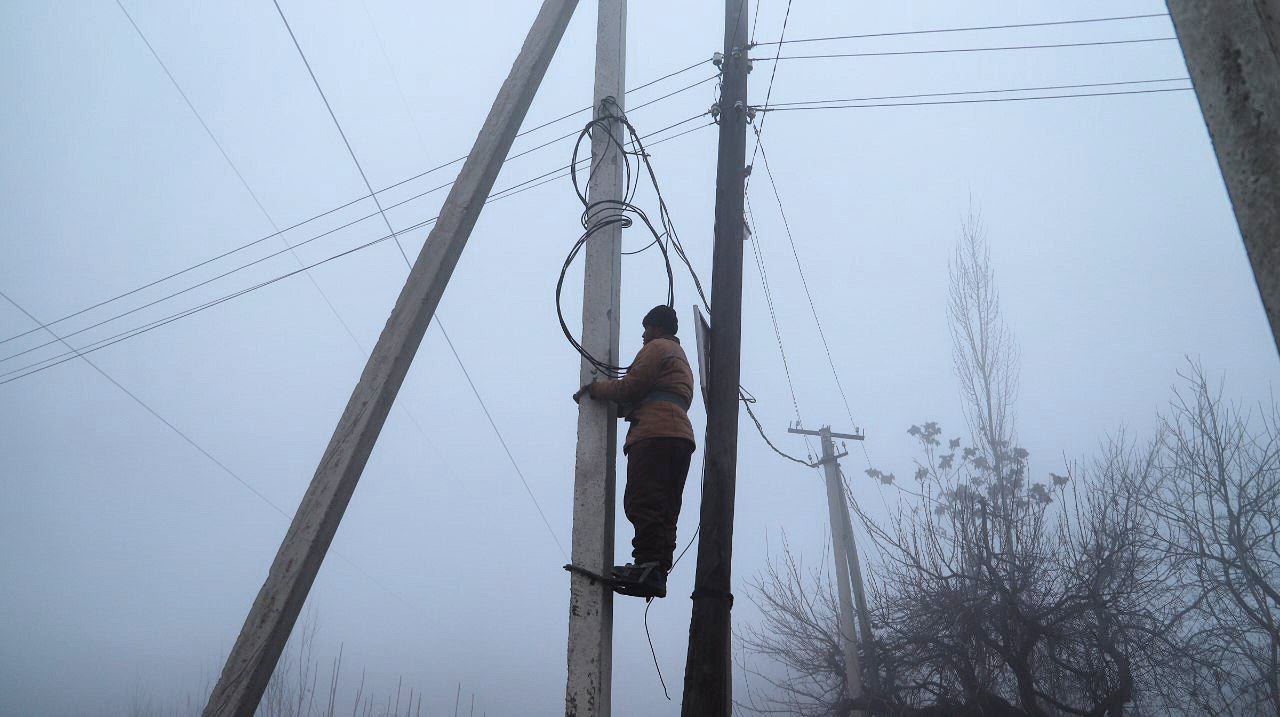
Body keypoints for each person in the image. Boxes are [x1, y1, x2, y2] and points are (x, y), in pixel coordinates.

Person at [573, 304, 696, 599]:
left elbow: (631, 387)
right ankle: (655, 570)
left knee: (645, 501)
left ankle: (647, 566)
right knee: (666, 508)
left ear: (658, 328)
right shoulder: (679, 358)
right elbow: (646, 395)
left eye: (647, 328)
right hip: (678, 436)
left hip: (655, 435)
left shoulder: (657, 348)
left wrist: (594, 390)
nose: (643, 335)